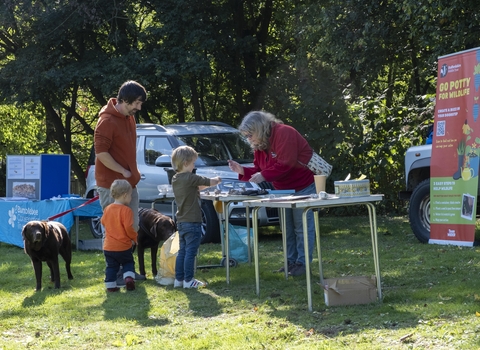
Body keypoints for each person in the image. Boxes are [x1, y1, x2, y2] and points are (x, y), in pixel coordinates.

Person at [228, 110, 318, 276]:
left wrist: (263, 175)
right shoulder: (260, 144)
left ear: (260, 128)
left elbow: (286, 163)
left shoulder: (284, 132)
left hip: (303, 186)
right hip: (282, 189)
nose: (248, 138)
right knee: (287, 228)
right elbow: (259, 169)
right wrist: (242, 170)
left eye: (250, 134)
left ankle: (303, 264)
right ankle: (290, 263)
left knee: (302, 227)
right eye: (246, 135)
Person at [94, 80, 147, 231]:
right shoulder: (106, 121)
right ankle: (112, 256)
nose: (139, 107)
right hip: (111, 186)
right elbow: (101, 153)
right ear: (124, 100)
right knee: (114, 231)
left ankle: (127, 256)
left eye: (140, 103)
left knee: (132, 228)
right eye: (137, 103)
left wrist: (132, 172)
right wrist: (123, 171)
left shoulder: (129, 117)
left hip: (130, 184)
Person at [171, 146, 222, 289]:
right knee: (191, 252)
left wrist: (205, 186)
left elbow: (197, 187)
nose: (194, 166)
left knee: (182, 251)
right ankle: (189, 280)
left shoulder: (176, 178)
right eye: (193, 163)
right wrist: (217, 180)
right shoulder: (190, 177)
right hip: (192, 221)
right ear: (186, 163)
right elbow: (207, 181)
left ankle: (179, 279)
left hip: (181, 221)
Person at [102, 179, 138, 292]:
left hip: (108, 246)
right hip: (123, 246)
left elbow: (103, 222)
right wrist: (134, 237)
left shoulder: (107, 209)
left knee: (111, 267)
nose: (131, 198)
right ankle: (128, 278)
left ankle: (110, 286)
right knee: (128, 262)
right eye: (130, 195)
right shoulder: (126, 210)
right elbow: (128, 228)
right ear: (125, 195)